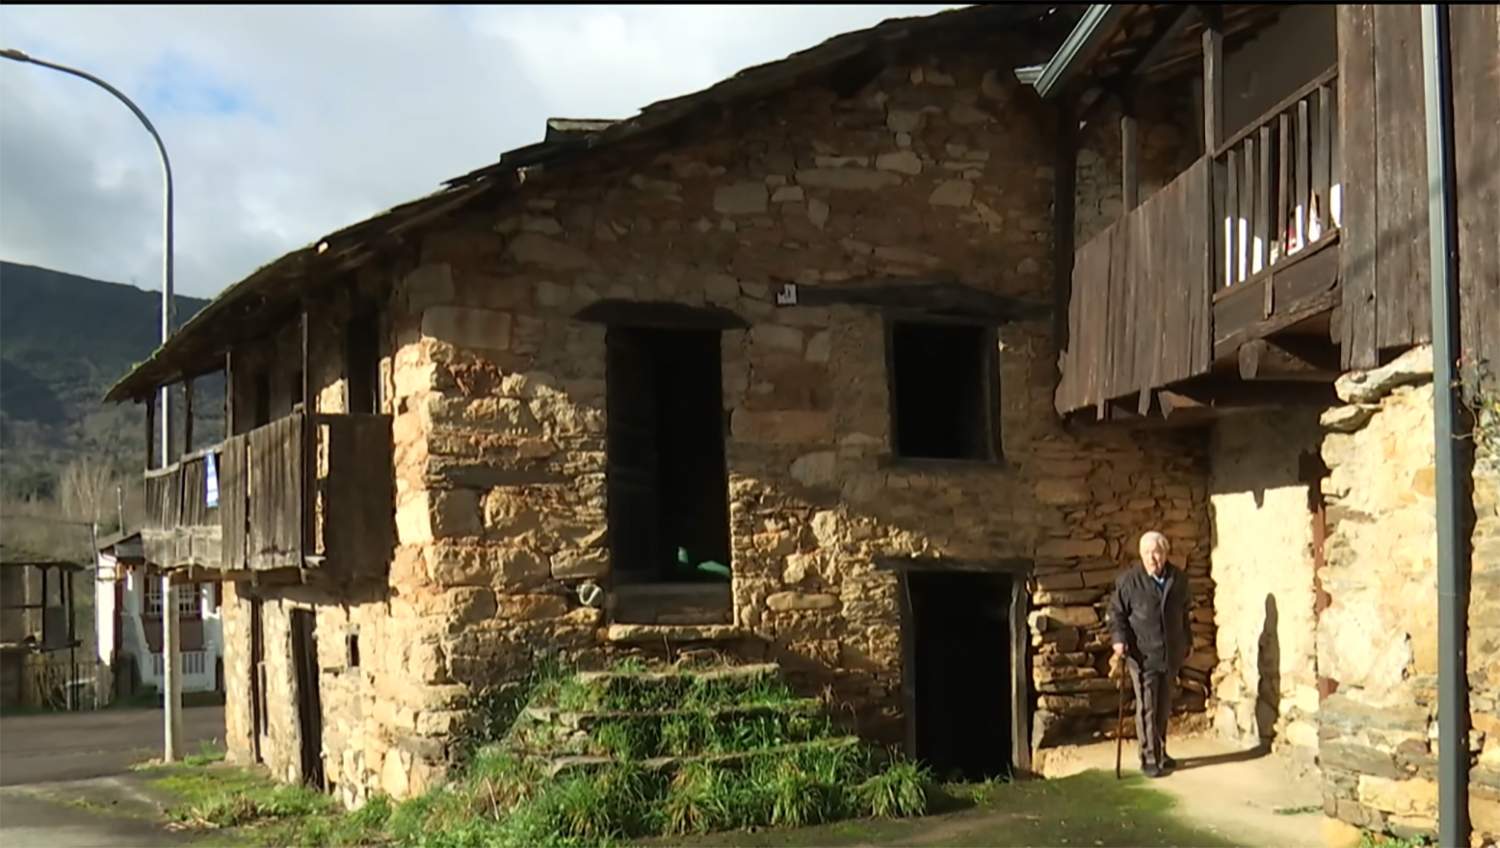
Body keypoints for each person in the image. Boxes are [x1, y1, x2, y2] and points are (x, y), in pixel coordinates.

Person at [1109, 530, 1192, 777]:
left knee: (1164, 705)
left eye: (1156, 552)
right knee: (1147, 706)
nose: (1151, 558)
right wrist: (1119, 641)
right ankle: (1148, 757)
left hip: (1170, 653)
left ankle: (1161, 751)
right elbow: (1116, 614)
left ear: (1165, 553)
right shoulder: (1129, 581)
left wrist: (1188, 640)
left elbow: (1184, 612)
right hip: (1142, 654)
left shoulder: (1177, 579)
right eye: (1146, 553)